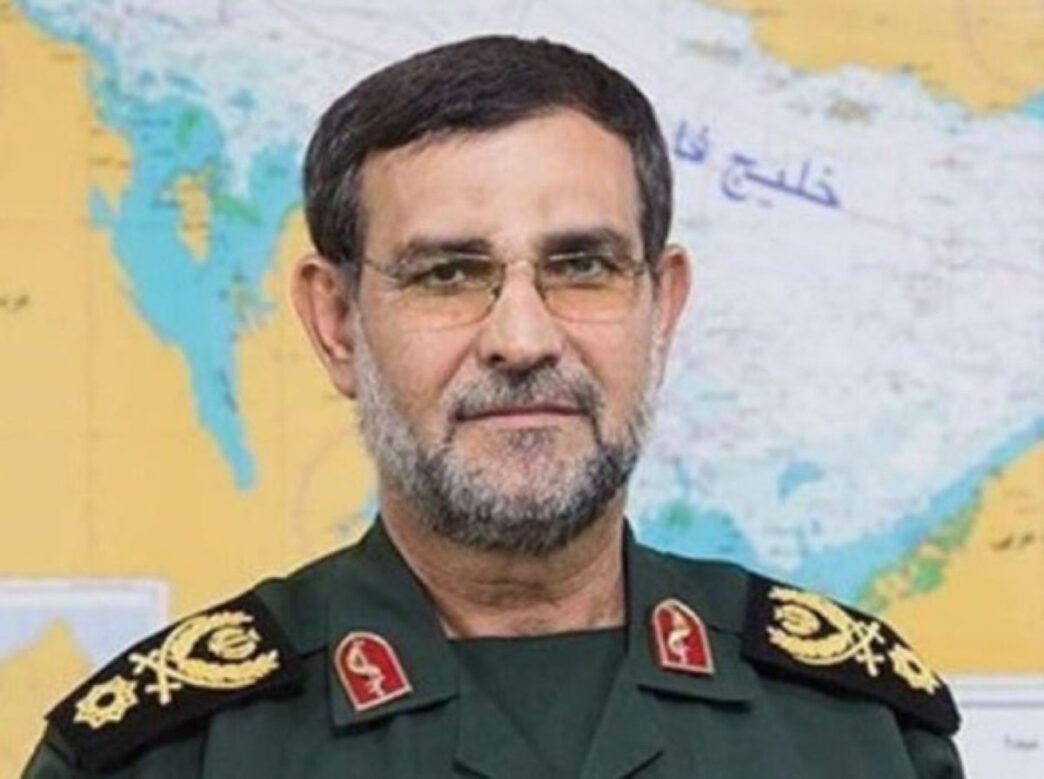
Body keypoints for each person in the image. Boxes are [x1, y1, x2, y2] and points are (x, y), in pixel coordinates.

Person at [24, 35, 964, 778]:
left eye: (583, 265)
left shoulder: (859, 733)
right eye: (448, 273)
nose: (523, 337)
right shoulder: (171, 754)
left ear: (662, 307)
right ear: (337, 322)